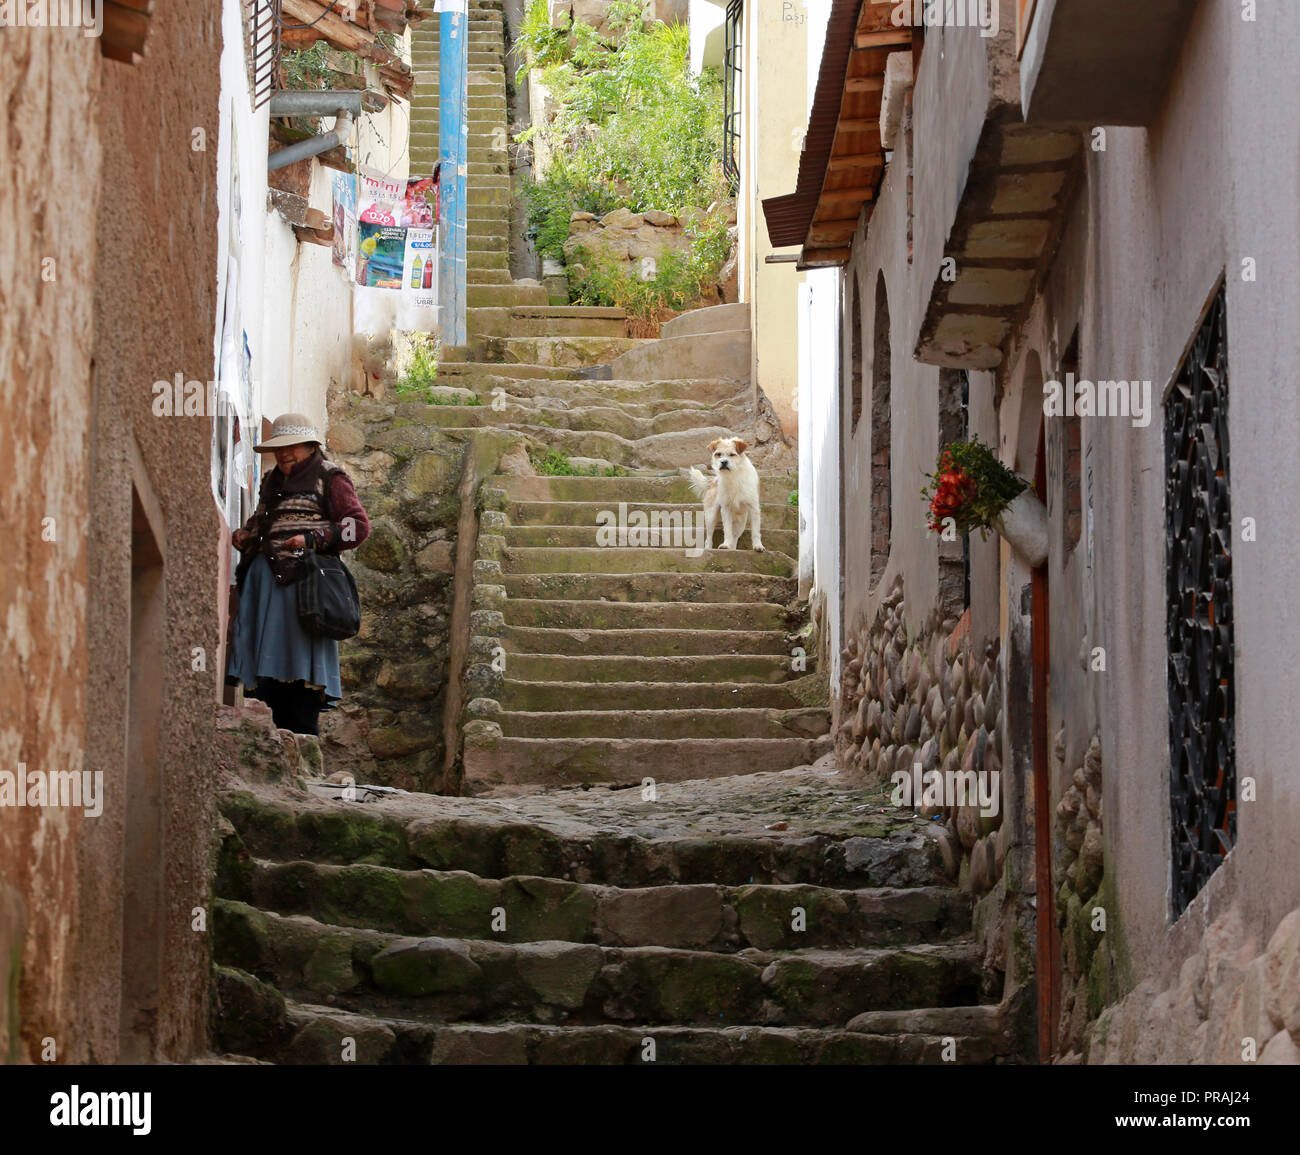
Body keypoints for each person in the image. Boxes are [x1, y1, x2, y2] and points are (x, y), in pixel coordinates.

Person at [226, 413, 370, 736]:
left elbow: (357, 527)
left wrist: (311, 539)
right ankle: (267, 735)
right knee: (265, 672)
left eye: (292, 447)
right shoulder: (272, 481)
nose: (285, 454)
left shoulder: (330, 478)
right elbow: (264, 521)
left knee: (300, 671)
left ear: (309, 446)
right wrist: (247, 533)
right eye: (279, 449)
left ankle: (301, 739)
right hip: (267, 584)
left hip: (305, 587)